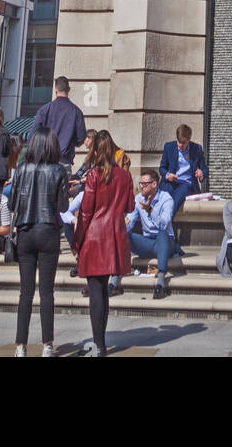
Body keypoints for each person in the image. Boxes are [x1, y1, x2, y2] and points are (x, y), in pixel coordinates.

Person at [8, 125, 69, 359]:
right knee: (47, 291)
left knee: (25, 292)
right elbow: (63, 206)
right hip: (48, 230)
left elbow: (13, 203)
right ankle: (47, 345)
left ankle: (20, 346)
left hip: (25, 230)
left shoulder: (21, 169)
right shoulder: (59, 170)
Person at [73, 130, 134, 357]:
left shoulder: (93, 175)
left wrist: (77, 241)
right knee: (103, 291)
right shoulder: (125, 176)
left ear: (96, 150)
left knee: (95, 291)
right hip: (114, 237)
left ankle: (99, 344)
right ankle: (101, 342)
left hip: (94, 237)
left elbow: (86, 212)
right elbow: (130, 207)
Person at [123, 168, 175, 300]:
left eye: (145, 184)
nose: (142, 187)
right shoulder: (138, 199)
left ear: (154, 184)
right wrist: (121, 229)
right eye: (140, 183)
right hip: (147, 242)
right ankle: (113, 282)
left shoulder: (166, 198)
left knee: (162, 233)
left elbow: (164, 224)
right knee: (123, 235)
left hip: (165, 242)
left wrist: (150, 210)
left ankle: (160, 283)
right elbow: (130, 220)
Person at [32, 76, 87, 171]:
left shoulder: (44, 110)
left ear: (55, 90)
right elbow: (81, 138)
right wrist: (71, 142)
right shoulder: (76, 111)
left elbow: (33, 135)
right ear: (69, 90)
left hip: (45, 160)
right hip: (64, 160)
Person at [159, 124, 208, 216]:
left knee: (179, 194)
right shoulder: (169, 147)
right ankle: (164, 221)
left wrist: (201, 174)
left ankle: (165, 219)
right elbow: (162, 168)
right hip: (170, 182)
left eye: (183, 143)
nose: (180, 145)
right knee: (165, 194)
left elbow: (205, 170)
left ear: (189, 140)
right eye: (179, 142)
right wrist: (167, 175)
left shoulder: (197, 149)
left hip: (187, 183)